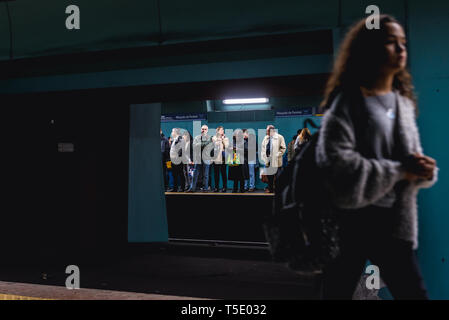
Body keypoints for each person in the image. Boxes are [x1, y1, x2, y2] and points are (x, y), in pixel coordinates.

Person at [316, 15, 438, 300]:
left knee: (414, 293)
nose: (400, 49)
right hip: (350, 223)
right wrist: (399, 170)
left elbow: (407, 163)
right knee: (336, 294)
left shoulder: (403, 104)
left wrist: (422, 171)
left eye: (403, 43)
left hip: (394, 222)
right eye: (390, 42)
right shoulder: (347, 102)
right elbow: (335, 163)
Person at [261, 125, 286, 193]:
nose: (266, 132)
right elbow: (263, 149)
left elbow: (283, 148)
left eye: (267, 131)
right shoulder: (265, 138)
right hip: (268, 161)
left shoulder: (280, 137)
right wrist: (264, 157)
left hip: (276, 160)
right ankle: (271, 190)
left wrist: (276, 155)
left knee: (278, 177)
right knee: (270, 177)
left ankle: (279, 191)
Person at [187, 125, 213, 192]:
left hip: (206, 158)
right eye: (202, 129)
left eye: (205, 129)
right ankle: (192, 188)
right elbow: (195, 146)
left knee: (206, 174)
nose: (203, 130)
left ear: (207, 130)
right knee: (195, 174)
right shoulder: (197, 137)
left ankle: (205, 188)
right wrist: (205, 143)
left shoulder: (210, 138)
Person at [212, 126, 229, 192]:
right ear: (218, 131)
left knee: (223, 173)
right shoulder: (214, 138)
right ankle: (216, 187)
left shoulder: (226, 138)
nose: (223, 131)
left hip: (223, 158)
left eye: (223, 130)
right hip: (216, 158)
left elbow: (227, 146)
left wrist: (223, 139)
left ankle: (225, 187)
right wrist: (219, 139)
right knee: (216, 174)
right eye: (221, 130)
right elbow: (215, 145)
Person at [169, 128, 186, 192]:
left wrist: (178, 157)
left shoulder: (180, 139)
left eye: (172, 132)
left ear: (176, 132)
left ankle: (182, 188)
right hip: (173, 160)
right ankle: (175, 188)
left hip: (178, 160)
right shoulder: (174, 139)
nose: (172, 133)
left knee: (180, 173)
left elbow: (181, 149)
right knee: (174, 174)